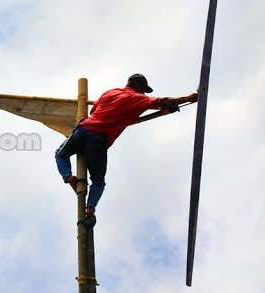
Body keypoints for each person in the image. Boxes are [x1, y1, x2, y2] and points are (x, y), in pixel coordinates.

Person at [55, 73, 198, 221]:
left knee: (61, 155)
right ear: (134, 84)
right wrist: (188, 99)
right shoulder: (138, 98)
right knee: (98, 181)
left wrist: (126, 113)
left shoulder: (110, 92)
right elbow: (164, 101)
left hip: (83, 129)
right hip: (98, 139)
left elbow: (94, 111)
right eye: (142, 88)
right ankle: (90, 208)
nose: (143, 92)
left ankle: (68, 176)